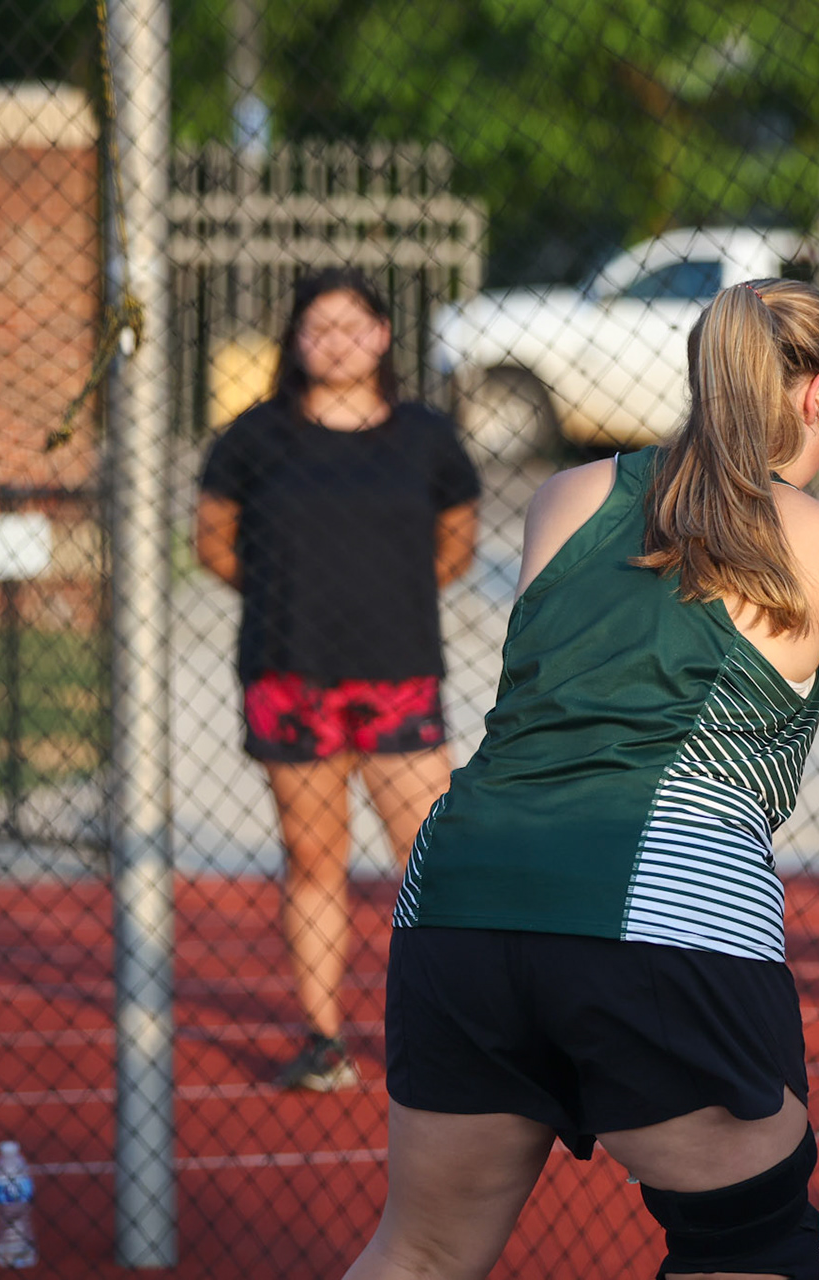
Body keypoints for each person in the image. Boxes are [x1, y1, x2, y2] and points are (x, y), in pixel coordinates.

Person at [342, 279, 819, 1280]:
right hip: (661, 906)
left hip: (463, 890)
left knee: (424, 1250)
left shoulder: (570, 496)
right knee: (751, 1244)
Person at [195, 267, 481, 1091]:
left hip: (399, 675)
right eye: (319, 326)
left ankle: (451, 1031)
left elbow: (455, 546)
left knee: (429, 857)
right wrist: (290, 593)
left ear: (384, 335)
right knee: (314, 856)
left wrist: (379, 594)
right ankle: (323, 1040)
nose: (337, 339)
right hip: (290, 676)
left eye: (354, 324)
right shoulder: (254, 438)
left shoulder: (427, 436)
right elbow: (214, 543)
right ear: (296, 340)